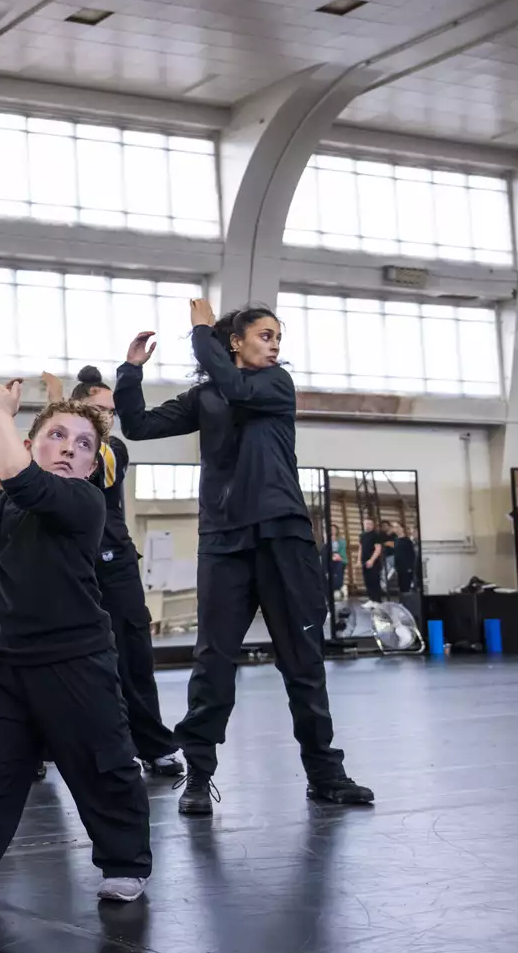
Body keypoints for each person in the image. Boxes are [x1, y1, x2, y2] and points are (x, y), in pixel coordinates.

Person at [114, 300, 373, 815]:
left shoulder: (275, 386)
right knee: (213, 662)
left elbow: (236, 387)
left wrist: (201, 334)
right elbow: (138, 426)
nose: (275, 344)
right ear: (236, 341)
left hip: (283, 538)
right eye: (265, 335)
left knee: (303, 661)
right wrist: (130, 372)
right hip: (224, 542)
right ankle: (199, 775)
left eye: (278, 336)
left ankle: (325, 772)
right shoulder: (208, 395)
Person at [0, 382, 152, 913]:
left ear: (92, 468)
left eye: (84, 444)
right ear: (33, 442)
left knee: (104, 768)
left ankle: (125, 864)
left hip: (76, 664)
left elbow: (22, 479)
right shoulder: (0, 508)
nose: (70, 448)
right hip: (0, 667)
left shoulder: (84, 502)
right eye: (58, 436)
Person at [68, 365, 183, 779]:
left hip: (115, 566)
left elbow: (93, 468)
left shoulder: (113, 448)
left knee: (133, 658)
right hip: (67, 567)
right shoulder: (53, 448)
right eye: (95, 408)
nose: (105, 416)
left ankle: (154, 745)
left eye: (110, 411)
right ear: (75, 407)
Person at [359, 516, 385, 602]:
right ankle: (371, 599)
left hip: (374, 562)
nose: (368, 525)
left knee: (374, 581)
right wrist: (359, 560)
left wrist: (371, 560)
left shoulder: (376, 535)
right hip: (364, 561)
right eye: (366, 524)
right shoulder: (362, 535)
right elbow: (360, 548)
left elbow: (378, 549)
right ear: (363, 524)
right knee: (367, 582)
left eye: (370, 524)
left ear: (373, 525)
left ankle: (377, 601)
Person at [392, 521, 418, 595]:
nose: (395, 529)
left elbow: (411, 555)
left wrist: (410, 568)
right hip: (399, 568)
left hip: (407, 568)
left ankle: (407, 604)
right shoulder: (395, 540)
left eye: (397, 527)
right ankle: (402, 603)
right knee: (401, 587)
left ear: (402, 528)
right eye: (394, 527)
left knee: (406, 588)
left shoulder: (407, 541)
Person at [328, 523, 347, 596]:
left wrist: (338, 556)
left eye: (334, 529)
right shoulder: (327, 540)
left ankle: (339, 588)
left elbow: (342, 551)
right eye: (331, 530)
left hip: (340, 560)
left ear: (337, 531)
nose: (332, 531)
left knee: (338, 575)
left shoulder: (341, 541)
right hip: (330, 560)